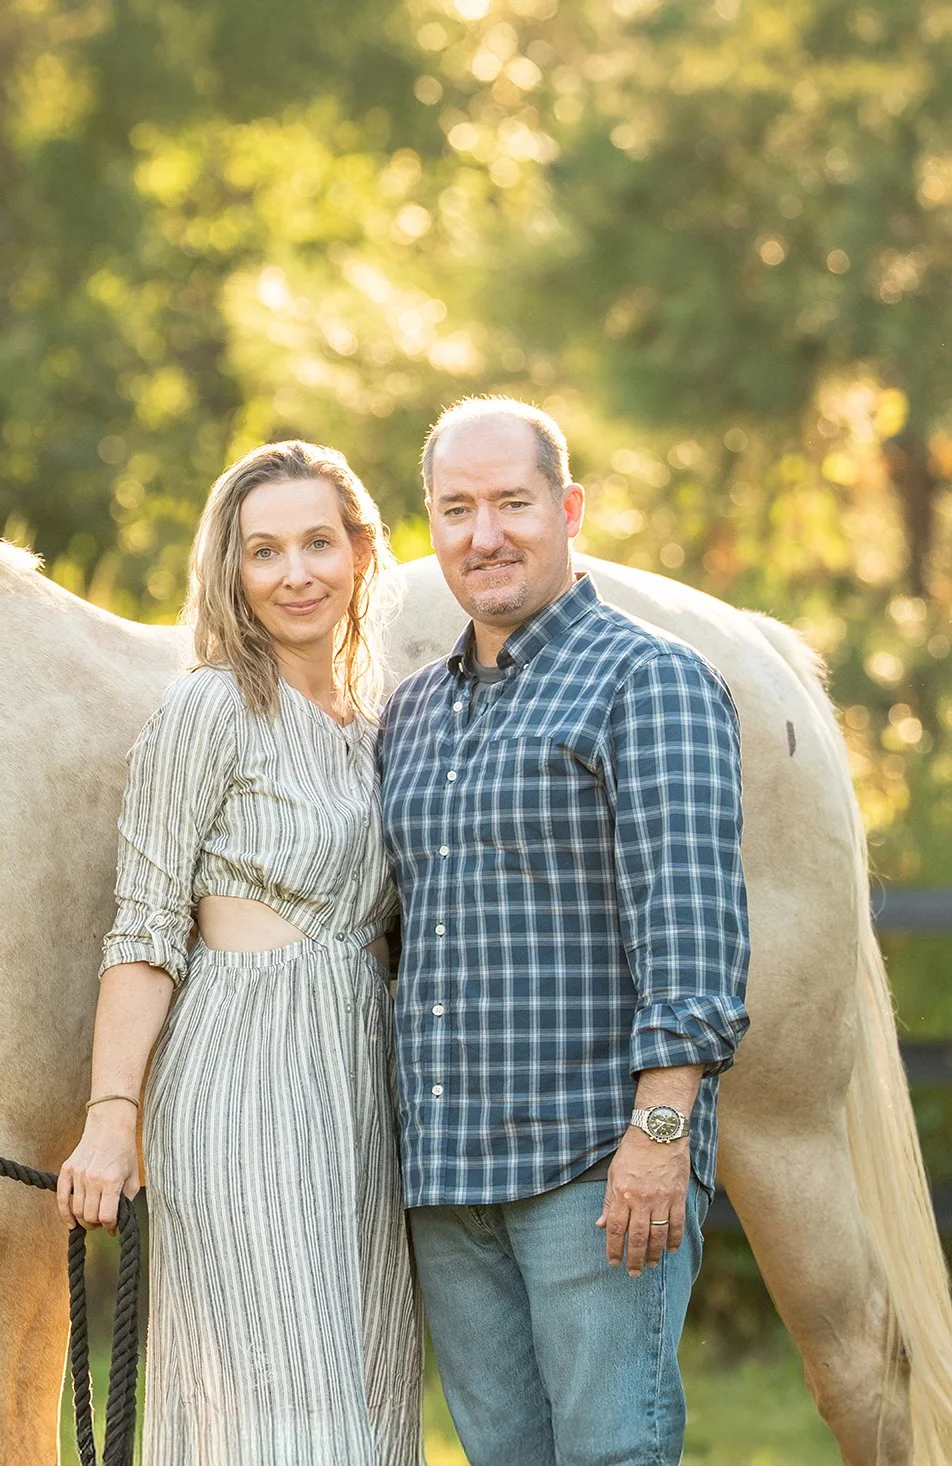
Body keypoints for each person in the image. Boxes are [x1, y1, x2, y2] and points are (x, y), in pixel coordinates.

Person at [379, 398, 751, 1466]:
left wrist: (660, 1136)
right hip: (447, 1179)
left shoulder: (649, 678)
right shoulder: (410, 713)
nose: (481, 534)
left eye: (509, 502)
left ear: (567, 507)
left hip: (590, 1165)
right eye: (455, 509)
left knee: (611, 1452)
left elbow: (692, 926)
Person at [58, 441, 422, 1463]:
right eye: (264, 551)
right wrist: (108, 1117)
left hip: (354, 1084)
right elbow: (141, 926)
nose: (294, 572)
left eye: (316, 542)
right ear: (230, 570)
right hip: (240, 1076)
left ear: (359, 553)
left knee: (362, 1382)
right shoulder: (207, 708)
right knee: (267, 1398)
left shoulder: (372, 722)